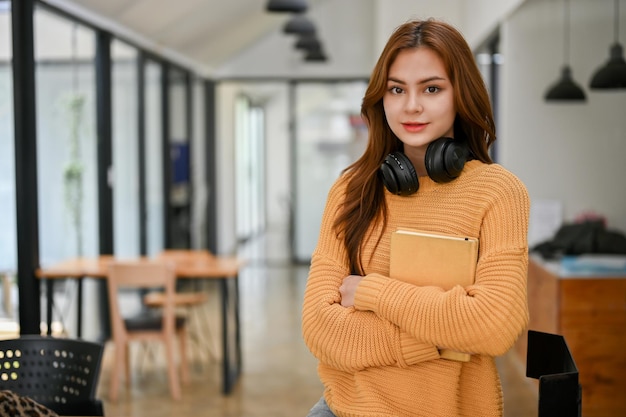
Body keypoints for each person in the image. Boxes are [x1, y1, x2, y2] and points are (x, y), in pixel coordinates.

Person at [301, 18, 530, 417]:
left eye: (432, 88)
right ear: (381, 98)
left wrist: (372, 293)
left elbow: (494, 324)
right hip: (344, 410)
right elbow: (321, 330)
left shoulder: (498, 192)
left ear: (461, 95)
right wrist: (445, 341)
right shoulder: (350, 190)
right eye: (396, 89)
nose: (411, 106)